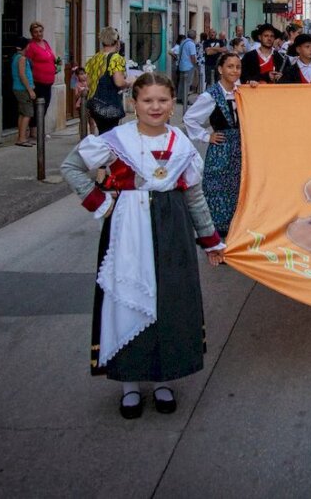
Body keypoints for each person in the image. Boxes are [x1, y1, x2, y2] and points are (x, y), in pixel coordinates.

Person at [60, 72, 225, 419]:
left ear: (172, 105)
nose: (155, 107)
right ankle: (130, 383)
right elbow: (72, 166)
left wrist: (210, 240)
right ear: (133, 104)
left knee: (170, 300)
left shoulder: (181, 142)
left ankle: (164, 379)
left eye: (163, 101)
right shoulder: (115, 140)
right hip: (127, 229)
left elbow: (194, 196)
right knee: (128, 300)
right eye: (147, 100)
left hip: (174, 228)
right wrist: (100, 203)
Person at [183, 52, 243, 237]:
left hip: (241, 148)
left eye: (238, 67)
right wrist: (206, 136)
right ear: (220, 69)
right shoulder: (211, 95)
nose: (234, 71)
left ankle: (235, 235)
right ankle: (217, 238)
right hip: (222, 149)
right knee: (218, 190)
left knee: (238, 191)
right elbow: (189, 118)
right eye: (230, 66)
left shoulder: (241, 91)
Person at [84, 26, 129, 134]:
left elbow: (89, 82)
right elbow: (119, 82)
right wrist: (130, 81)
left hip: (94, 104)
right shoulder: (116, 58)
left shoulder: (95, 58)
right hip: (109, 104)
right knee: (110, 136)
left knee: (103, 133)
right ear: (117, 41)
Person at [24, 21, 58, 137]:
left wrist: (55, 65)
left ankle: (38, 130)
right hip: (38, 82)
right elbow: (27, 63)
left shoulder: (45, 43)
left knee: (45, 105)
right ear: (32, 34)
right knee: (37, 106)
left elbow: (52, 58)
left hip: (48, 82)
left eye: (40, 31)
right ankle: (34, 131)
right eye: (36, 32)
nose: (39, 34)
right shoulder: (31, 46)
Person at [11, 36, 37, 146]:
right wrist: (30, 90)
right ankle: (22, 138)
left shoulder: (16, 57)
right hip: (22, 89)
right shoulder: (22, 59)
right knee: (27, 113)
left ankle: (21, 136)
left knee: (22, 113)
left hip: (18, 88)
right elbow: (22, 75)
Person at [71, 67, 97, 136]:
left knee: (91, 121)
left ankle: (92, 135)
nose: (84, 75)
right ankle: (82, 136)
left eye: (85, 73)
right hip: (81, 105)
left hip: (90, 104)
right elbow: (76, 96)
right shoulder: (77, 85)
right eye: (81, 74)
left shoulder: (88, 83)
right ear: (77, 76)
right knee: (83, 120)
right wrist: (81, 92)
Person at [177, 30, 198, 102]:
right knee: (187, 83)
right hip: (189, 66)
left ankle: (179, 98)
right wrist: (194, 64)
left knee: (181, 83)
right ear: (194, 36)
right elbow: (193, 56)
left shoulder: (183, 42)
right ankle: (185, 99)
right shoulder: (191, 44)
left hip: (182, 65)